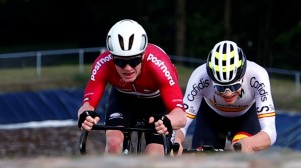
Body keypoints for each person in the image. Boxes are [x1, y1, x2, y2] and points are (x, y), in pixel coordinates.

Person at [77, 19, 186, 155]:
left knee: (154, 154)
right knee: (113, 144)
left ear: (143, 55)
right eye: (120, 62)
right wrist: (84, 116)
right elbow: (87, 105)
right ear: (112, 58)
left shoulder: (159, 65)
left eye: (134, 61)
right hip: (123, 99)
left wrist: (168, 121)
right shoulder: (102, 64)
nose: (128, 68)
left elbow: (181, 115)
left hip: (156, 103)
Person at [178, 40, 276, 153]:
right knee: (203, 160)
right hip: (211, 116)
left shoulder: (258, 76)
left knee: (242, 155)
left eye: (235, 86)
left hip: (246, 116)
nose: (228, 93)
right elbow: (181, 123)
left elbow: (270, 132)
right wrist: (176, 141)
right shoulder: (200, 77)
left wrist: (249, 143)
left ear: (243, 76)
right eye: (221, 88)